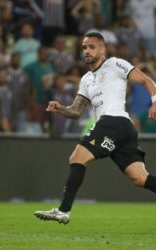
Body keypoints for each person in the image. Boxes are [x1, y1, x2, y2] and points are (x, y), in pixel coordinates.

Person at [34, 32, 156, 224]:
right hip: (122, 130)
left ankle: (63, 210)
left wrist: (154, 101)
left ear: (102, 49)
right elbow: (76, 111)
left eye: (92, 47)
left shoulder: (115, 64)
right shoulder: (86, 79)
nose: (87, 51)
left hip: (115, 122)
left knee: (77, 157)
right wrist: (60, 108)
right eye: (84, 47)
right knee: (140, 178)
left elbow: (147, 81)